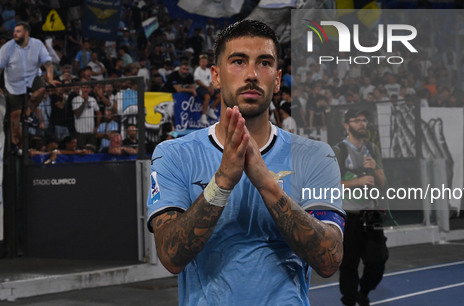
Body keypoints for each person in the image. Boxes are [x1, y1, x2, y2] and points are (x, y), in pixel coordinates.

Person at [147, 19, 344, 305]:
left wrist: (268, 184)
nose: (251, 74)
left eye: (264, 63)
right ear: (215, 76)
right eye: (238, 61)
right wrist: (222, 182)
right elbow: (171, 256)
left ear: (277, 80)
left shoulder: (316, 156)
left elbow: (329, 259)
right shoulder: (174, 154)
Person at [332, 108, 388, 306]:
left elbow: (382, 182)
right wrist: (358, 182)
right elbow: (330, 186)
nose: (362, 124)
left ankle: (363, 291)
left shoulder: (372, 149)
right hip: (348, 215)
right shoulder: (338, 150)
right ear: (347, 125)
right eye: (357, 120)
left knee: (378, 261)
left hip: (370, 214)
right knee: (349, 263)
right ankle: (349, 300)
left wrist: (374, 169)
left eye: (364, 120)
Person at [0, 22, 59, 152]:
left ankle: (27, 114)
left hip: (32, 78)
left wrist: (49, 78)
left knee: (41, 89)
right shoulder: (7, 48)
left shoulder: (37, 44)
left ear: (26, 33)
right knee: (14, 115)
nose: (14, 33)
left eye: (18, 31)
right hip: (13, 84)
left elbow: (48, 63)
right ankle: (14, 143)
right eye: (14, 31)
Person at [194, 53, 220, 125]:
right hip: (200, 87)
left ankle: (211, 109)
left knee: (220, 96)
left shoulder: (208, 70)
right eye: (202, 61)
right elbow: (197, 81)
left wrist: (211, 89)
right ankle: (203, 116)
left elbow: (211, 82)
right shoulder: (198, 69)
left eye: (204, 61)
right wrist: (207, 88)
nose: (203, 62)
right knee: (207, 97)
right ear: (199, 62)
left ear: (207, 62)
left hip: (208, 87)